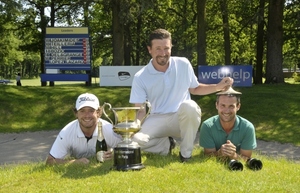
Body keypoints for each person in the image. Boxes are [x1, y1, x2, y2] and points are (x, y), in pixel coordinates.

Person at [129, 28, 233, 162]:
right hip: (156, 119)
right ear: (150, 49)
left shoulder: (183, 64)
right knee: (134, 142)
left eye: (166, 48)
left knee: (190, 106)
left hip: (180, 118)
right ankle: (165, 145)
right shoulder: (140, 76)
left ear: (171, 47)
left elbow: (195, 89)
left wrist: (218, 87)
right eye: (158, 49)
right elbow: (140, 109)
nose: (163, 53)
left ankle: (185, 154)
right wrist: (133, 127)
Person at [46, 93, 122, 165]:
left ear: (98, 113)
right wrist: (73, 162)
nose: (87, 115)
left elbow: (128, 149)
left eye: (91, 111)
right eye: (82, 111)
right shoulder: (66, 132)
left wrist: (115, 153)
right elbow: (50, 161)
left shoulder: (109, 129)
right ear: (76, 113)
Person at [199, 87, 257, 163]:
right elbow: (207, 155)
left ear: (238, 107)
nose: (226, 111)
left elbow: (247, 158)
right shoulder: (207, 126)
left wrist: (234, 155)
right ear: (216, 105)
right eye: (223, 105)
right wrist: (220, 153)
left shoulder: (247, 128)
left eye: (231, 106)